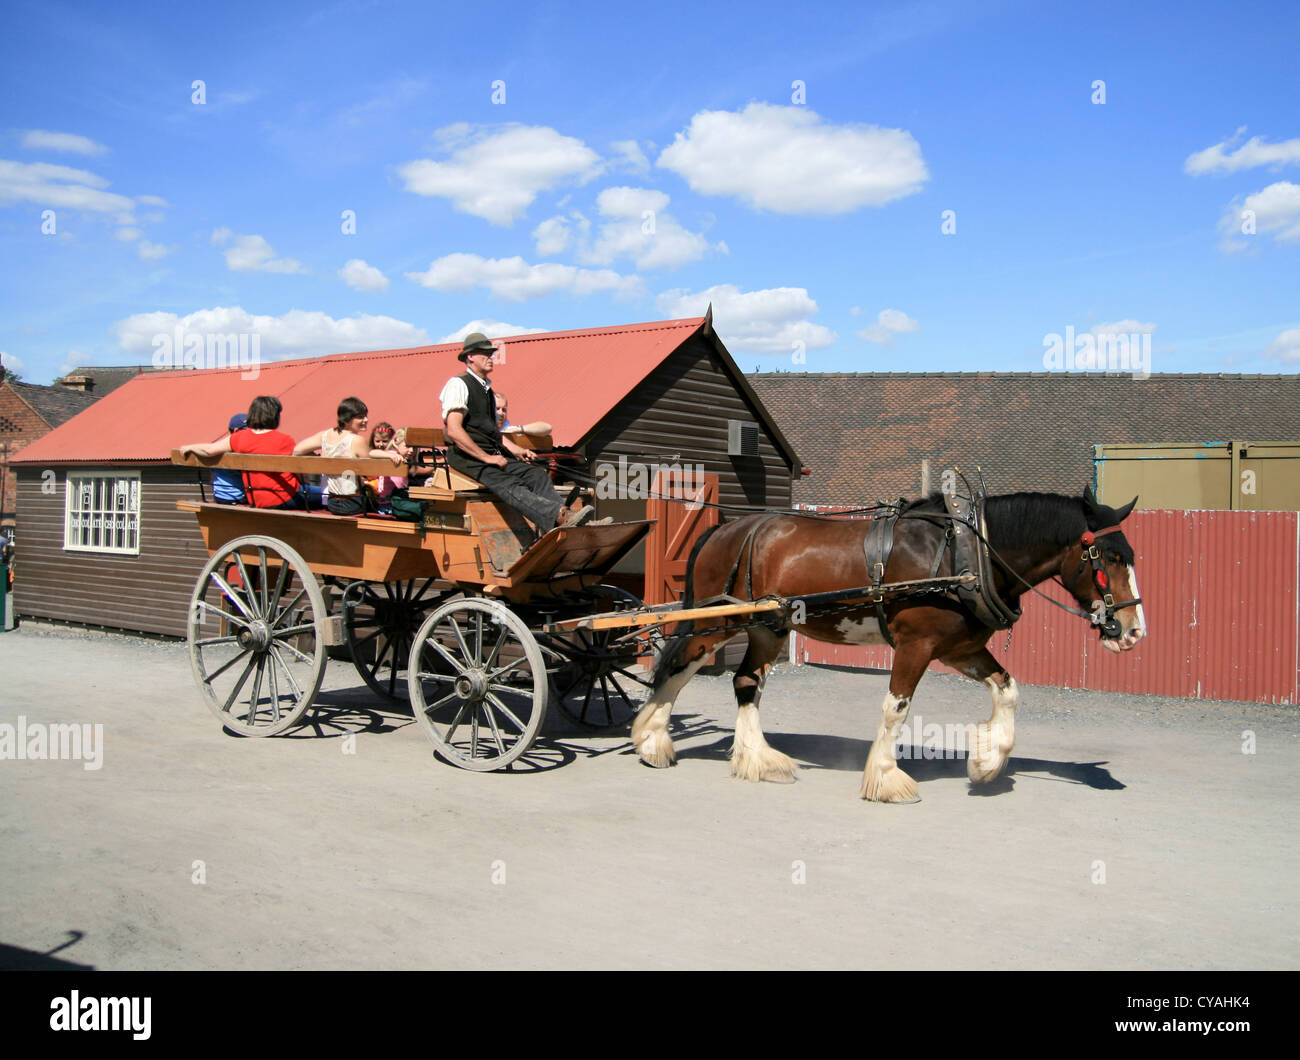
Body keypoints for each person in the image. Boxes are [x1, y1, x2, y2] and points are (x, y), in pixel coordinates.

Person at [439, 332, 593, 530]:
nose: (490, 357)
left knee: (536, 475)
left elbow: (492, 435)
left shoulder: (487, 390)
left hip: (489, 452)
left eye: (491, 353)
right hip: (467, 457)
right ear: (470, 356)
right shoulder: (458, 384)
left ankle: (568, 519)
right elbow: (454, 430)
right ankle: (559, 518)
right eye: (485, 353)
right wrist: (487, 458)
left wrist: (518, 451)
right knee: (509, 484)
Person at [180, 396, 303, 509]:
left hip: (255, 498)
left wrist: (188, 447)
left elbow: (209, 450)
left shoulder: (238, 438)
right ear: (275, 417)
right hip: (284, 497)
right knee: (321, 496)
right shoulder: (285, 440)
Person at [294, 397, 402, 516]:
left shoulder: (324, 436)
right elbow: (374, 473)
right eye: (360, 417)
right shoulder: (357, 441)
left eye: (365, 415)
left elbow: (297, 450)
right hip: (354, 503)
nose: (366, 419)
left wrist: (321, 460)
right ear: (346, 420)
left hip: (332, 502)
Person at [212, 413, 248, 505]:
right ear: (236, 431)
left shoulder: (217, 448)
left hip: (219, 496)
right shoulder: (242, 449)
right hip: (239, 497)